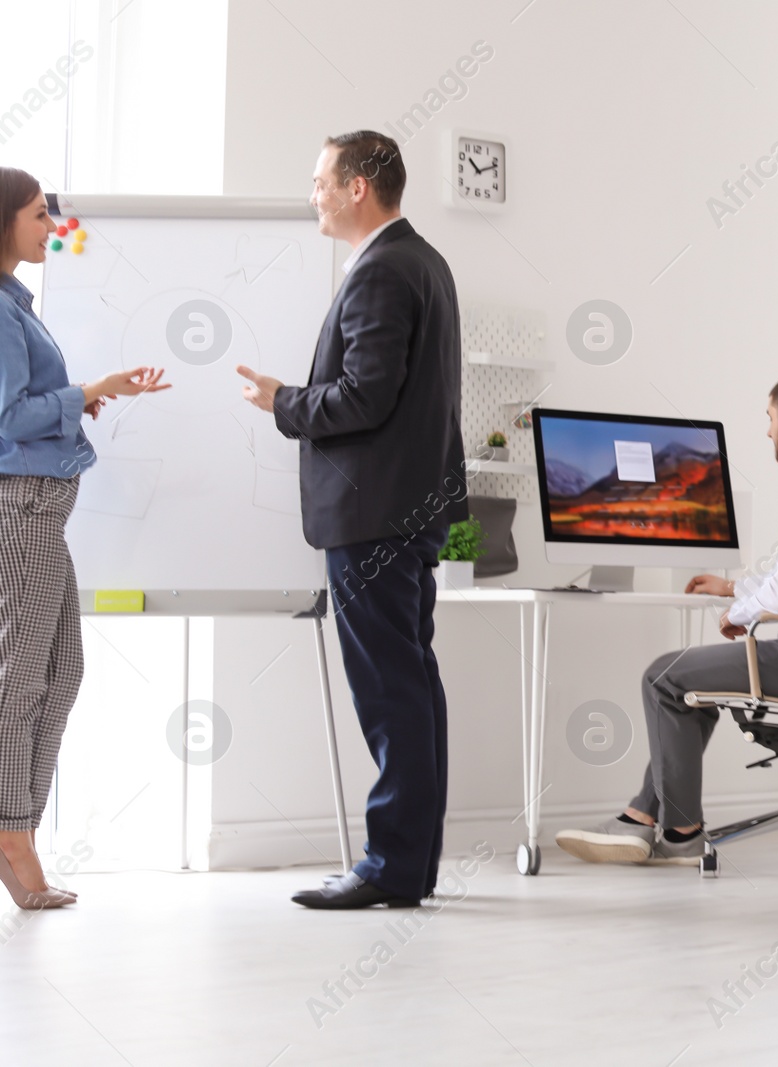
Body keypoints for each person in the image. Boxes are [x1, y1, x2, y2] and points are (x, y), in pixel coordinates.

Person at [237, 131, 468, 909]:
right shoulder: (422, 261)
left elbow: (366, 397)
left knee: (390, 688)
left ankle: (389, 866)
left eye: (320, 180)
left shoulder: (382, 271)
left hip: (376, 516)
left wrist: (282, 402)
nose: (312, 193)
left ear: (359, 186)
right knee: (411, 683)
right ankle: (410, 864)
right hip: (409, 509)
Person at [554, 370, 778, 866]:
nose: (766, 431)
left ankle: (680, 833)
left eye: (767, 418)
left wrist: (737, 613)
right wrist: (736, 589)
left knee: (663, 679)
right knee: (687, 686)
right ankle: (642, 817)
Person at [0, 166, 169, 909]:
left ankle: (18, 827)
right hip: (24, 510)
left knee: (61, 671)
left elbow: (30, 409)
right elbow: (6, 422)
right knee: (21, 679)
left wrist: (80, 403)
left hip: (46, 511)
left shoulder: (15, 302)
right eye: (39, 216)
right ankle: (12, 835)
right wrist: (91, 390)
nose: (50, 228)